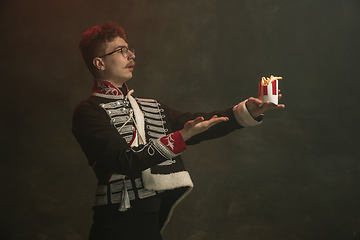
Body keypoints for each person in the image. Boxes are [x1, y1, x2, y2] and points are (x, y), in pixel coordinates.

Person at [72, 20, 284, 240]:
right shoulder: (88, 112)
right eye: (121, 51)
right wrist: (180, 137)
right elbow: (122, 161)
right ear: (99, 63)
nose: (131, 56)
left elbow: (197, 124)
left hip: (150, 223)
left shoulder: (150, 106)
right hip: (115, 225)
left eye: (129, 50)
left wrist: (246, 111)